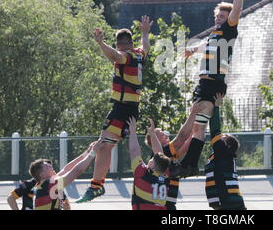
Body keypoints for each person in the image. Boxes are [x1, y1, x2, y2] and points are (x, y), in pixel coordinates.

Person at [77, 16, 153, 203]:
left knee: (103, 145)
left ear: (119, 45)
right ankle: (96, 186)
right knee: (104, 146)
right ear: (131, 42)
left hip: (123, 109)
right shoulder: (138, 54)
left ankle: (96, 186)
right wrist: (145, 32)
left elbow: (115, 57)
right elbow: (146, 46)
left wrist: (101, 42)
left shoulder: (126, 56)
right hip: (128, 108)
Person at [182, 0, 243, 177]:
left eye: (222, 15)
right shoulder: (214, 34)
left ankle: (188, 164)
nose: (218, 17)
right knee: (197, 129)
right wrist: (192, 50)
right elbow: (205, 46)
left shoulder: (229, 30)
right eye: (217, 15)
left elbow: (236, 10)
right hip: (204, 84)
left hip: (213, 84)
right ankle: (189, 165)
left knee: (198, 125)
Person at [144, 101, 206, 209]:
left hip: (169, 202)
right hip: (161, 203)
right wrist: (193, 113)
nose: (164, 133)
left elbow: (186, 144)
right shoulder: (162, 152)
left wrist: (198, 126)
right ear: (156, 140)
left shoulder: (170, 153)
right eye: (161, 133)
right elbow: (180, 139)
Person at [28, 140, 102, 210]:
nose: (51, 167)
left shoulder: (44, 184)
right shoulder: (49, 184)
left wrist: (87, 152)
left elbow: (66, 169)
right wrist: (93, 153)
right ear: (42, 174)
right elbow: (76, 171)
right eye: (48, 167)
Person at [205, 93, 246, 210]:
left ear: (226, 145)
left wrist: (216, 107)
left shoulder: (222, 153)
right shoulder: (224, 156)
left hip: (227, 202)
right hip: (230, 202)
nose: (220, 137)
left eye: (223, 137)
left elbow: (215, 129)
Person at [128, 116, 171, 210]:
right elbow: (160, 154)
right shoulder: (165, 175)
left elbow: (134, 150)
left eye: (152, 159)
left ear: (153, 165)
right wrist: (152, 134)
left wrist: (132, 132)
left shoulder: (142, 173)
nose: (150, 159)